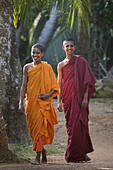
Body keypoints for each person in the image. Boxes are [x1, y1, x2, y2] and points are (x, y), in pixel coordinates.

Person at [19, 43, 59, 165]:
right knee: (33, 130)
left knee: (40, 129)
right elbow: (24, 85)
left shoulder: (46, 68)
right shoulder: (26, 67)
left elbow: (54, 87)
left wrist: (48, 96)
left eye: (37, 53)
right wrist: (21, 102)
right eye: (33, 52)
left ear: (42, 54)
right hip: (30, 102)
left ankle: (37, 157)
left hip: (42, 103)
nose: (35, 55)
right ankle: (43, 151)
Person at [57, 38, 96, 163]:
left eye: (71, 46)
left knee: (81, 124)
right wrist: (58, 101)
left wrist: (85, 97)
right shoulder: (61, 65)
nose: (69, 48)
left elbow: (87, 81)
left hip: (80, 98)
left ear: (75, 47)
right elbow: (59, 85)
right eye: (67, 46)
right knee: (71, 126)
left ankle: (81, 153)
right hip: (68, 98)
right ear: (63, 48)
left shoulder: (81, 61)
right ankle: (76, 153)